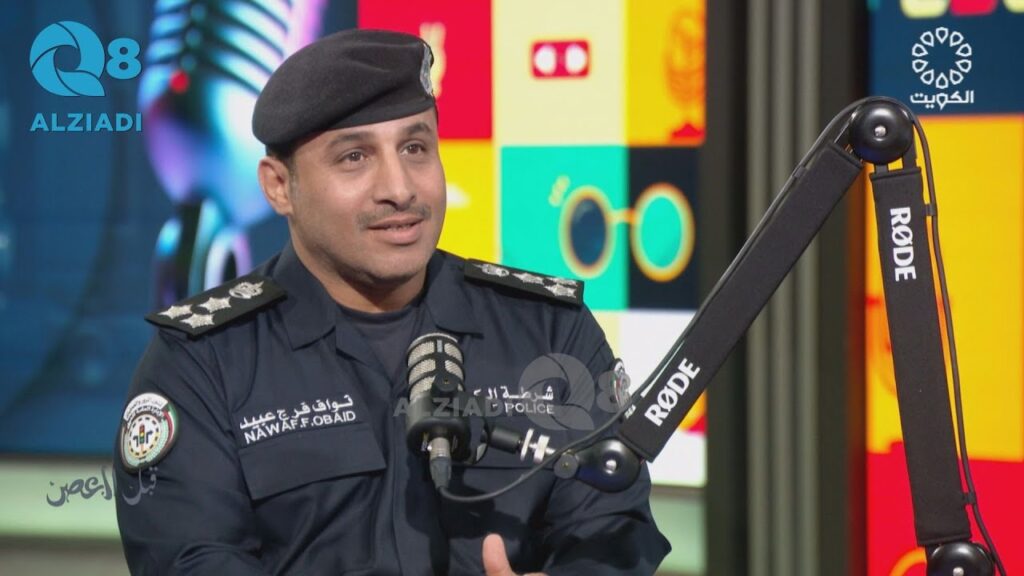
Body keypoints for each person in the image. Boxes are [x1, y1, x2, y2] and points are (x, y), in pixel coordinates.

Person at [114, 28, 670, 575]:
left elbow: (614, 528)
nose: (400, 189)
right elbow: (190, 560)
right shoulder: (202, 362)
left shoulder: (550, 330)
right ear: (280, 186)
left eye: (415, 148)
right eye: (355, 157)